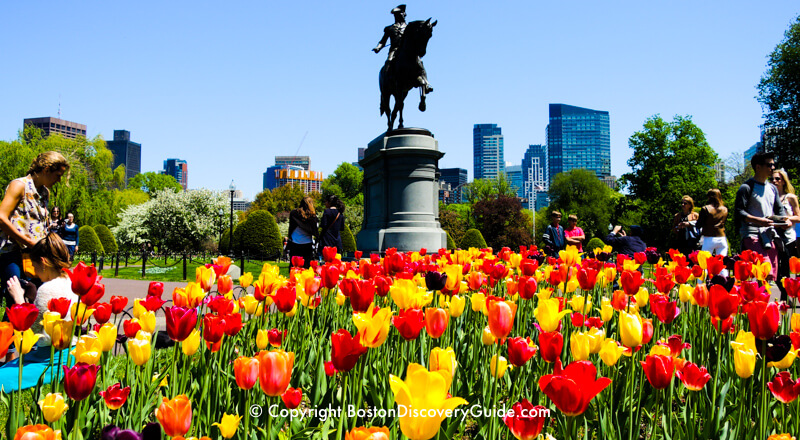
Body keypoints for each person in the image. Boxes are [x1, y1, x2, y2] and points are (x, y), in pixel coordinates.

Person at [0, 151, 69, 307]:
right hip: (13, 253)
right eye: (58, 175)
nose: (59, 180)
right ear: (46, 170)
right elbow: (1, 218)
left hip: (35, 256)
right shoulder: (19, 185)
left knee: (32, 301)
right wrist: (29, 242)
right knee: (15, 303)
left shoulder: (45, 192)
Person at [734, 151, 790, 282]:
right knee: (763, 271)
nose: (773, 168)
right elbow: (739, 212)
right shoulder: (747, 187)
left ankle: (762, 300)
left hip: (769, 235)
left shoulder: (772, 188)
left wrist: (784, 221)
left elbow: (779, 210)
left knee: (769, 276)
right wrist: (758, 220)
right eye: (769, 165)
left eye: (773, 165)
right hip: (752, 234)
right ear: (758, 167)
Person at [373, 4, 433, 93]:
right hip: (394, 50)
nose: (397, 16)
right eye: (395, 14)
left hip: (408, 50)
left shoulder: (410, 27)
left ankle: (426, 83)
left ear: (404, 14)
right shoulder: (389, 28)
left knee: (419, 62)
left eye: (399, 13)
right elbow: (383, 41)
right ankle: (387, 82)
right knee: (389, 62)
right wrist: (378, 47)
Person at [773, 168, 800, 300]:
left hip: (789, 238)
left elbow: (798, 217)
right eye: (772, 179)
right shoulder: (769, 198)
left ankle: (787, 296)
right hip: (773, 237)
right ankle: (784, 294)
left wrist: (786, 219)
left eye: (777, 179)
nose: (774, 181)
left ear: (784, 181)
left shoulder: (790, 198)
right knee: (776, 272)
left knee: (788, 269)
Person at [288, 197, 319, 268]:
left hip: (295, 241)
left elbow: (291, 227)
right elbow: (315, 231)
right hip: (307, 243)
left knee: (294, 266)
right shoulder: (312, 217)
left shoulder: (294, 214)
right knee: (306, 266)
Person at [697, 189, 729, 256]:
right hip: (722, 238)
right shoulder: (725, 209)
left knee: (704, 263)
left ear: (709, 197)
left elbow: (699, 224)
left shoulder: (705, 209)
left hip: (709, 238)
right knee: (721, 263)